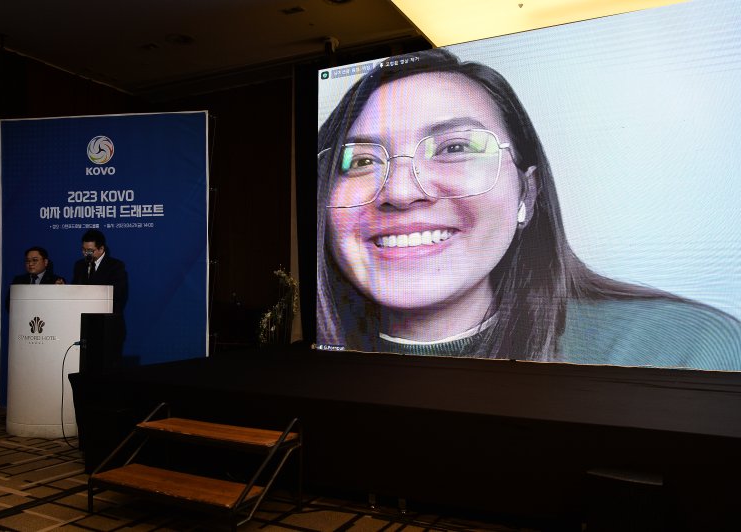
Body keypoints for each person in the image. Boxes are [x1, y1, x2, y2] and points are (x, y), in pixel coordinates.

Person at [316, 48, 741, 370]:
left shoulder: (681, 347)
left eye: (456, 147)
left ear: (527, 193)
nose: (402, 191)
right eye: (362, 161)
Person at [72, 229, 128, 317]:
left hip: (106, 320)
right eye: (83, 249)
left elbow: (116, 295)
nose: (85, 253)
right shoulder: (79, 265)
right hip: (82, 318)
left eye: (90, 250)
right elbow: (75, 290)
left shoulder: (116, 266)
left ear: (101, 249)